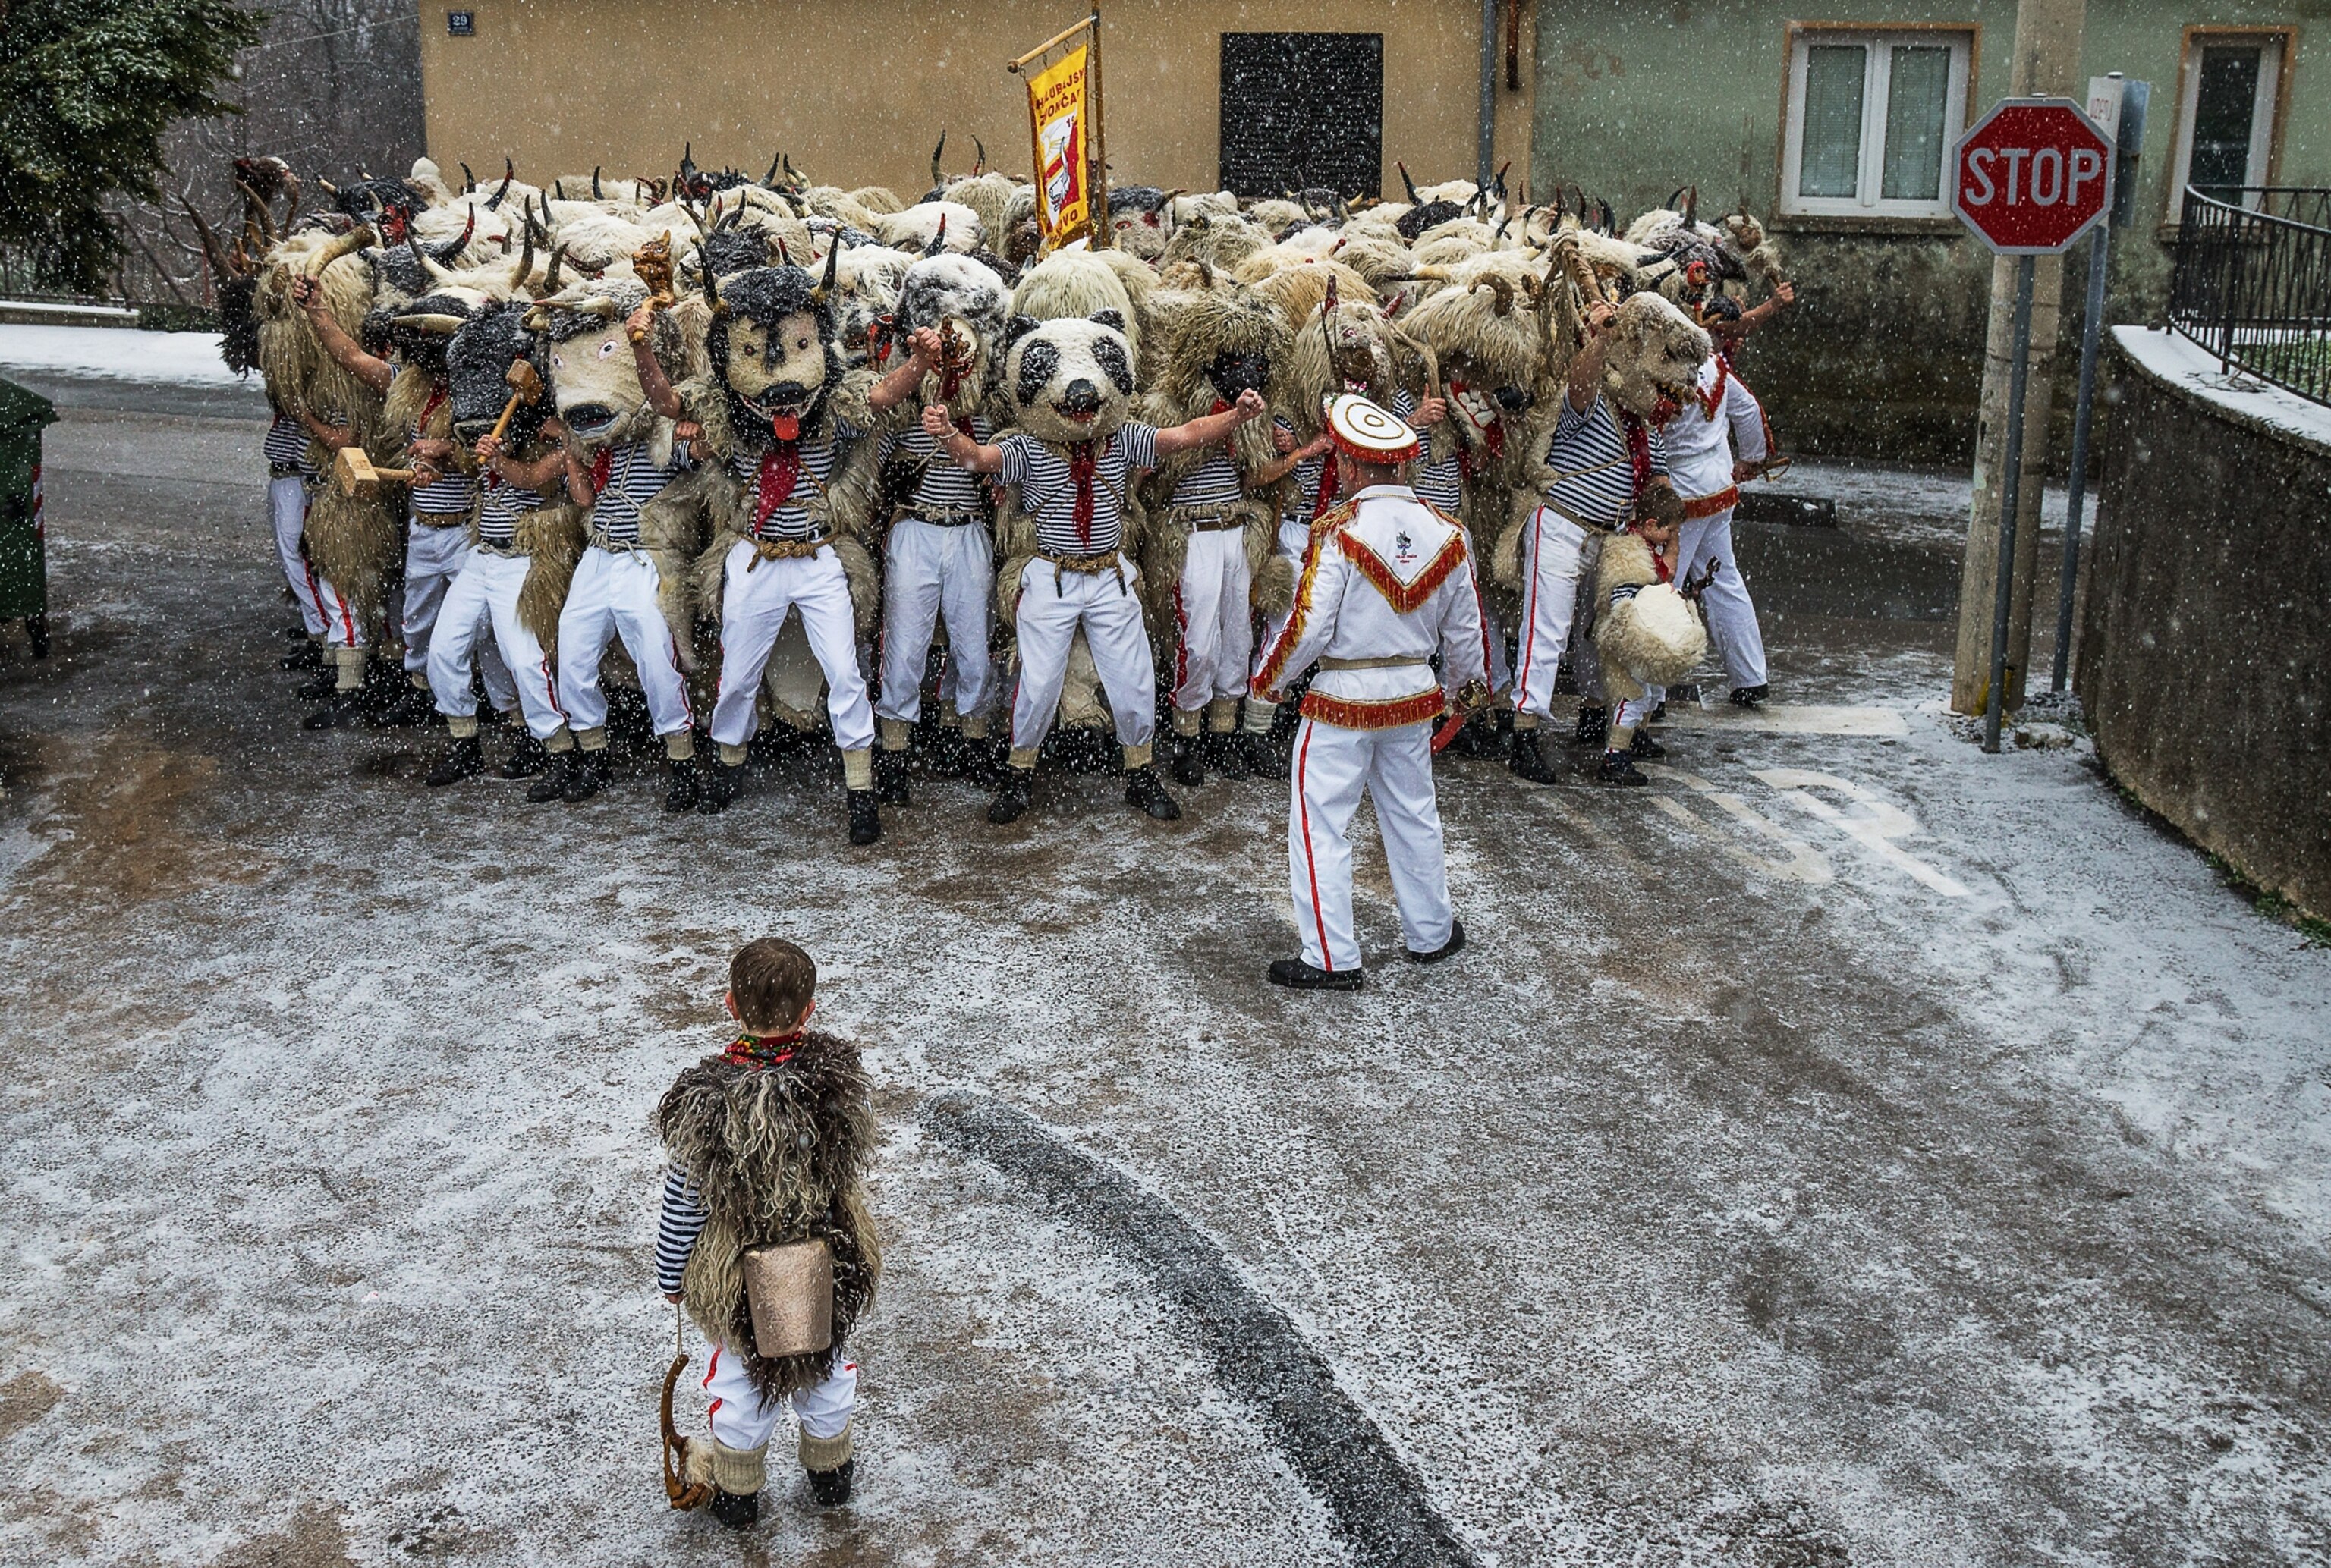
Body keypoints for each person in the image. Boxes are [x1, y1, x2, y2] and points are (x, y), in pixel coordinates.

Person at [920, 350, 1266, 825]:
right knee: (1039, 685)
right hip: (1052, 576)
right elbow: (979, 459)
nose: (1082, 408)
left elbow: (1183, 436)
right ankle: (1019, 775)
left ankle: (1140, 774)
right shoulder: (1030, 446)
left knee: (1134, 680)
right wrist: (949, 434)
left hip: (1108, 576)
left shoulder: (1123, 438)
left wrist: (1236, 416)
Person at [1250, 395, 1488, 991]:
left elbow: (1309, 624)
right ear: (1401, 467)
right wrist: (1463, 690)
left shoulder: (1337, 530)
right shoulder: (1447, 532)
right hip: (1413, 693)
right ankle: (1431, 931)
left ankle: (1331, 956)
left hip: (1342, 697)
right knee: (1413, 813)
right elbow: (1466, 630)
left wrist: (1270, 683)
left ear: (1352, 469)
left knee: (1322, 821)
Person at [655, 938, 880, 1531]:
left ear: (730, 1003)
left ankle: (738, 1493)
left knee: (739, 1376)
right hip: (825, 1257)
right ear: (809, 1011)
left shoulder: (709, 1105)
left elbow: (684, 1200)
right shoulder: (833, 1090)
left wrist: (671, 1272)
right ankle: (831, 1475)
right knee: (823, 1364)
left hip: (736, 1273)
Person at [1662, 349, 1773, 709]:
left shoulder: (1661, 364)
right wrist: (1751, 458)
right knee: (1725, 580)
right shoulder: (1712, 362)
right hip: (1719, 483)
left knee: (1663, 585)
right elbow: (1748, 410)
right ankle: (1750, 677)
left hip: (1678, 490)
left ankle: (1650, 696)